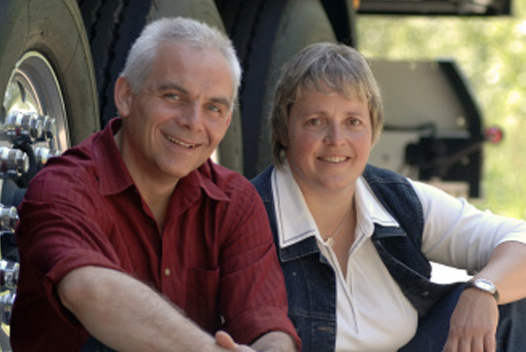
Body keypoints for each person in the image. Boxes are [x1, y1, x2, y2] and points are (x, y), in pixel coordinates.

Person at [11, 17, 300, 352]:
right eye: (174, 96)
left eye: (213, 108)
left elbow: (265, 321)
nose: (193, 122)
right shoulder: (62, 187)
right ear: (125, 96)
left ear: (228, 120)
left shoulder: (235, 202)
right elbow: (88, 289)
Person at [251, 42, 526, 352]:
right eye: (316, 121)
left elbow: (520, 238)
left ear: (373, 127)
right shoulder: (247, 216)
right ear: (284, 130)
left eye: (352, 122)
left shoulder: (394, 199)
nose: (336, 140)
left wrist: (484, 290)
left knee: (511, 304)